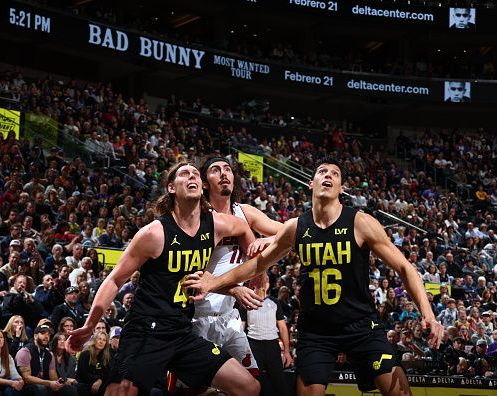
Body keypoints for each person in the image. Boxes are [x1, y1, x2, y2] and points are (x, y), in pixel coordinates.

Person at [185, 156, 444, 396]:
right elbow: (255, 265)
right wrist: (214, 282)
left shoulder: (360, 222)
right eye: (322, 172)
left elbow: (405, 268)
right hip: (316, 332)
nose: (328, 175)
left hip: (360, 325)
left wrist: (428, 313)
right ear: (312, 183)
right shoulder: (297, 227)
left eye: (335, 173)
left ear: (341, 187)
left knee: (398, 391)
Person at [66, 162, 260, 396]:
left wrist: (258, 272)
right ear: (171, 188)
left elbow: (243, 228)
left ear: (202, 186)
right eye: (184, 174)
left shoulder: (215, 224)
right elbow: (115, 280)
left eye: (196, 174)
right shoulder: (154, 233)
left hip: (182, 331)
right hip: (146, 329)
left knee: (249, 387)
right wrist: (89, 325)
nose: (192, 176)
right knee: (122, 391)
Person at [192, 157, 283, 378]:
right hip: (196, 315)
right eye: (216, 170)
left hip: (229, 316)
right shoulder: (198, 217)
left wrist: (268, 241)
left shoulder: (245, 212)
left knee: (251, 383)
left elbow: (289, 232)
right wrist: (235, 286)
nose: (224, 173)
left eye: (228, 169)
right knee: (194, 387)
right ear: (205, 183)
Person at [239, 274, 292, 396]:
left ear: (268, 284)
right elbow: (241, 328)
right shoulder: (246, 302)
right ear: (253, 284)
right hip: (253, 346)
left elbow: (283, 328)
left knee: (280, 384)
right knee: (254, 384)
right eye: (259, 281)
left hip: (272, 346)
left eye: (265, 281)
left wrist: (287, 352)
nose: (263, 284)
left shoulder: (275, 303)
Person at [15, 325, 76, 396]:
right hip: (27, 387)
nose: (46, 336)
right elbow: (27, 378)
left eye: (48, 334)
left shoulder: (49, 354)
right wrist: (49, 383)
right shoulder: (25, 351)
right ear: (35, 336)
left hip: (45, 384)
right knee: (41, 389)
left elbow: (53, 378)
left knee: (69, 389)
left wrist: (60, 382)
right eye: (43, 333)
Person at [76, 330, 112, 395]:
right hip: (84, 384)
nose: (101, 342)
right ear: (94, 340)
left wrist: (100, 381)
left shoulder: (106, 356)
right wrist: (97, 381)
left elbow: (107, 373)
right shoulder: (85, 354)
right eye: (99, 339)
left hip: (99, 384)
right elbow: (83, 375)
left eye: (104, 340)